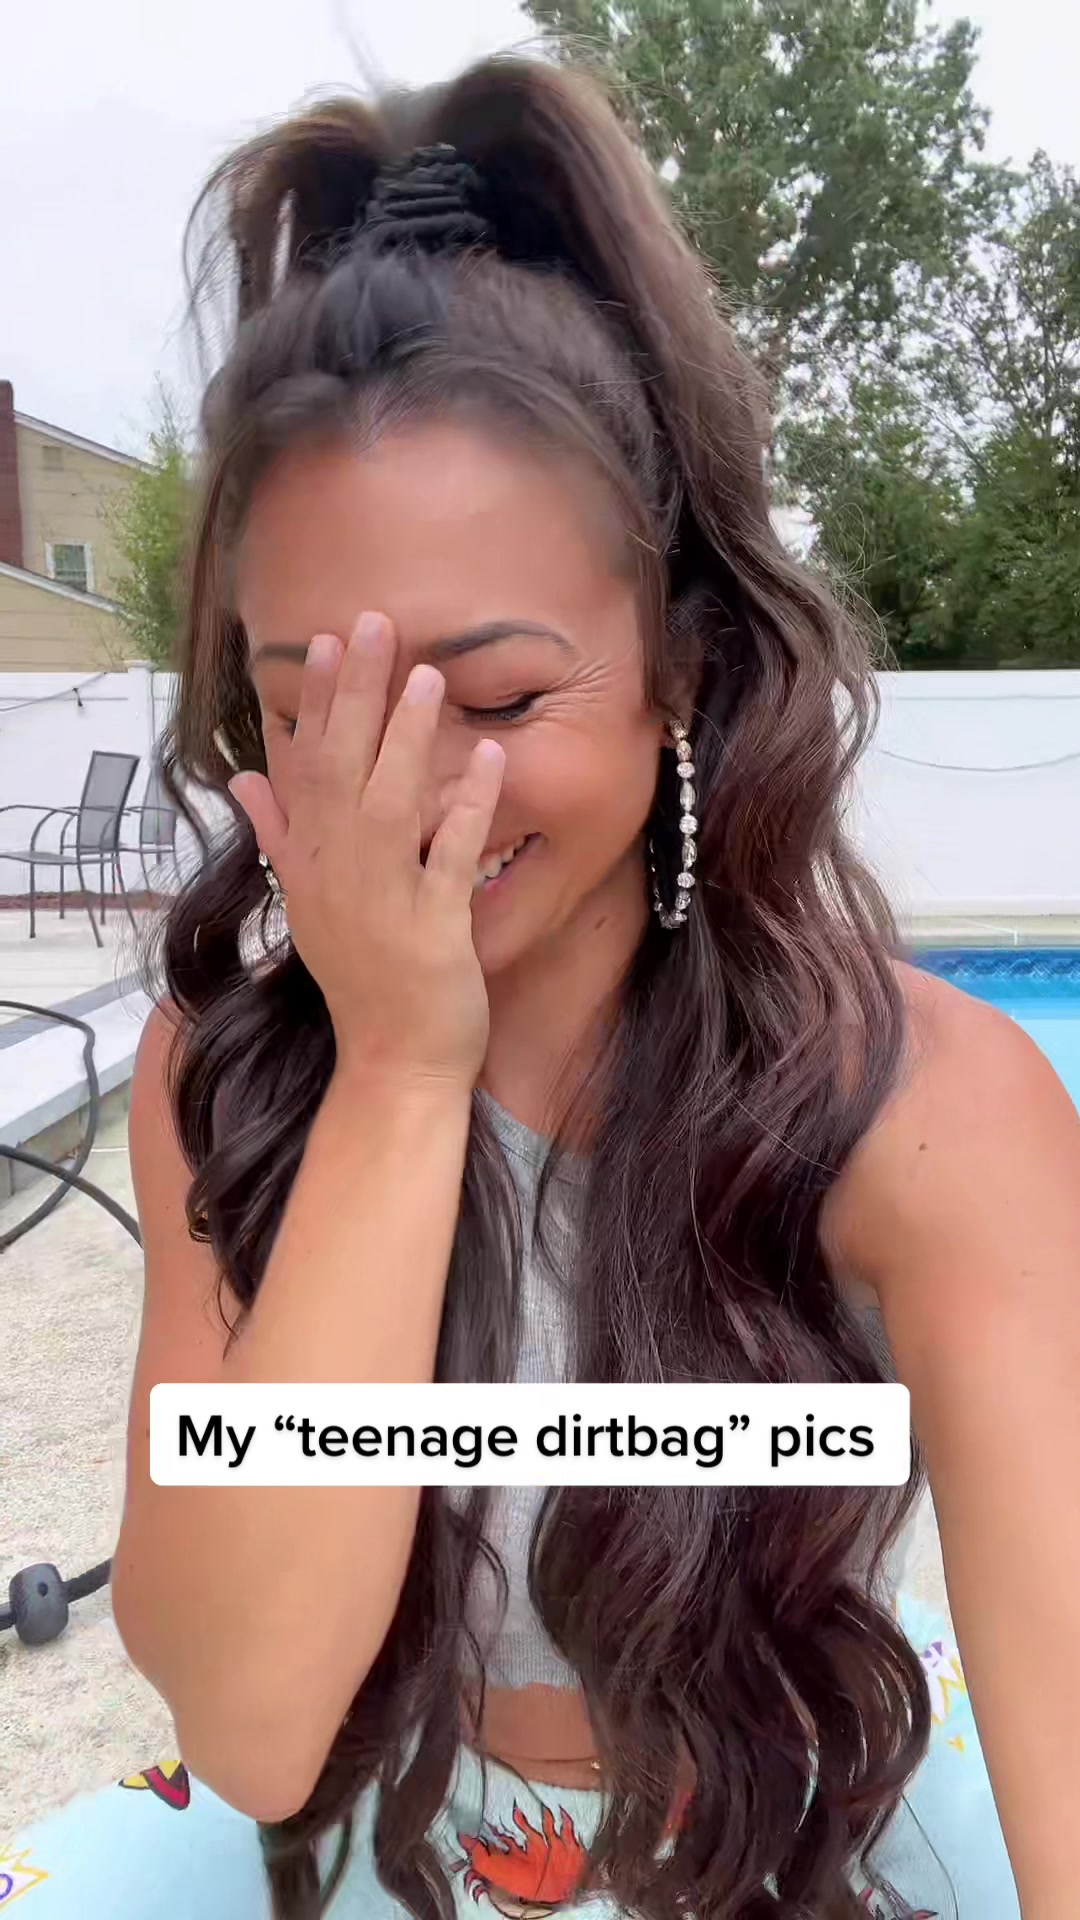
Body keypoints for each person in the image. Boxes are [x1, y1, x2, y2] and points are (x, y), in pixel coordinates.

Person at [7, 53, 1079, 1920]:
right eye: (308, 705)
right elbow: (251, 1723)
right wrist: (399, 1073)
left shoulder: (924, 1110)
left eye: (497, 698)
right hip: (374, 1824)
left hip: (790, 1829)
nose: (406, 787)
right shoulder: (225, 1071)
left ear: (683, 669)